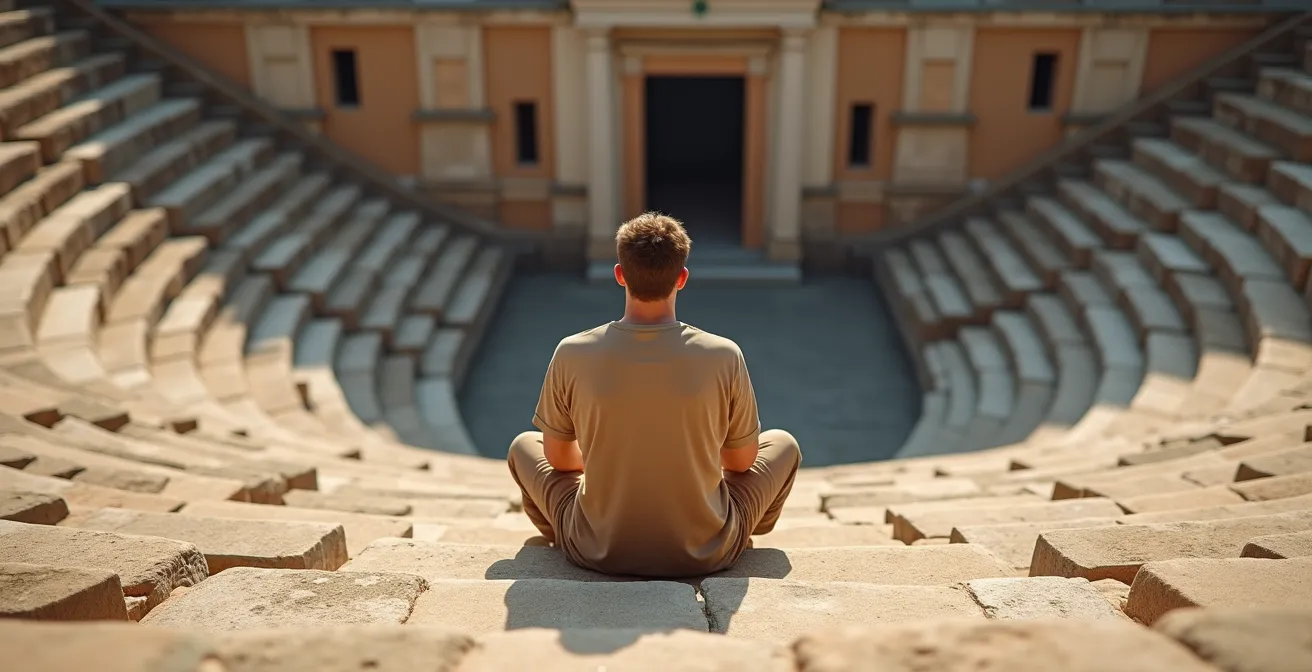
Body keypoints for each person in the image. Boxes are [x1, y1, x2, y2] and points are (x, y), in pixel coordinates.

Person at [506, 212, 802, 578]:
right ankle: (742, 534)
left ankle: (566, 534)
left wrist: (614, 458)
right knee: (783, 443)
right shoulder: (724, 354)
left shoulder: (571, 351)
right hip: (706, 551)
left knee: (524, 446)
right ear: (682, 278)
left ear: (619, 274)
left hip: (598, 550)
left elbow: (559, 459)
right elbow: (741, 463)